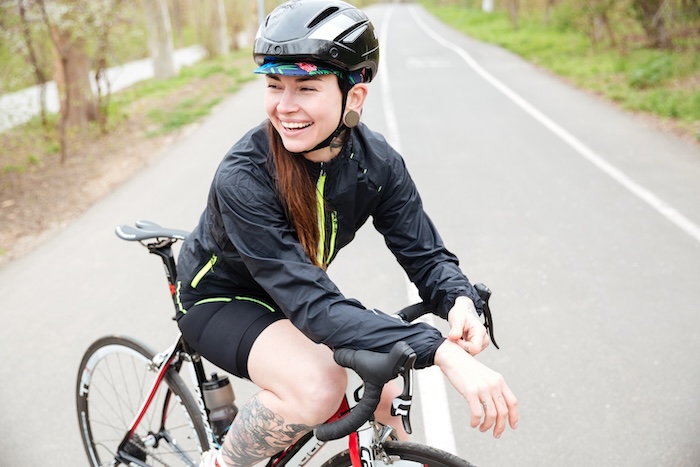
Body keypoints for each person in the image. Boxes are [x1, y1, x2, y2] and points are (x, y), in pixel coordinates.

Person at [175, 1, 518, 466]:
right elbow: (313, 305)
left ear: (353, 97)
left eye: (306, 88)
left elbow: (426, 256)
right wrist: (440, 351)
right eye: (274, 85)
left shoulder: (377, 164)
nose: (284, 106)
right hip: (221, 299)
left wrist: (459, 300)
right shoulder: (244, 175)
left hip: (294, 291)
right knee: (319, 387)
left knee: (386, 383)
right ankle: (221, 463)